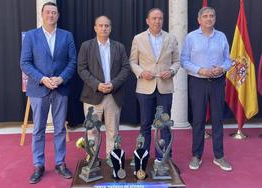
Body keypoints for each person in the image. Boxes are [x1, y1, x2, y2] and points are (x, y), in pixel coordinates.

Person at [20, 2, 76, 184]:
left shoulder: (67, 36)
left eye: (54, 13)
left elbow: (72, 62)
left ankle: (60, 163)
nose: (51, 15)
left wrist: (61, 78)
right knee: (38, 130)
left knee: (60, 128)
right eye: (48, 12)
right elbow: (25, 63)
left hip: (61, 88)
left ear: (58, 15)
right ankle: (38, 165)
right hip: (38, 89)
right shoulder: (30, 36)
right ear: (42, 14)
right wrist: (43, 78)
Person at [181, 7, 232, 171]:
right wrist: (200, 70)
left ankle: (219, 156)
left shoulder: (222, 36)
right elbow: (184, 60)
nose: (209, 19)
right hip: (198, 82)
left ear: (215, 19)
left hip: (217, 82)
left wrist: (222, 68)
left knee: (218, 120)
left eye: (211, 16)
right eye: (205, 16)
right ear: (199, 20)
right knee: (198, 120)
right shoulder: (191, 37)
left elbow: (228, 60)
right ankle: (196, 155)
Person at [77, 16, 130, 167]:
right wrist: (97, 84)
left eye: (107, 25)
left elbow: (126, 68)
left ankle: (111, 161)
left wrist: (113, 84)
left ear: (110, 28)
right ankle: (93, 161)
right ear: (95, 28)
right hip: (92, 96)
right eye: (100, 26)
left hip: (113, 95)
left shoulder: (119, 47)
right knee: (92, 132)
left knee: (113, 132)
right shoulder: (86, 46)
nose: (104, 28)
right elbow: (81, 69)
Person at [129, 8, 180, 161]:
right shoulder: (138, 38)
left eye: (160, 18)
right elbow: (132, 61)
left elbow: (177, 61)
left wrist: (171, 71)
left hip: (165, 87)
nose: (157, 21)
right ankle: (143, 158)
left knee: (164, 125)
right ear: (147, 20)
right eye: (154, 18)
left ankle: (164, 158)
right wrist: (141, 72)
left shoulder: (171, 38)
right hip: (145, 87)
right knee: (145, 124)